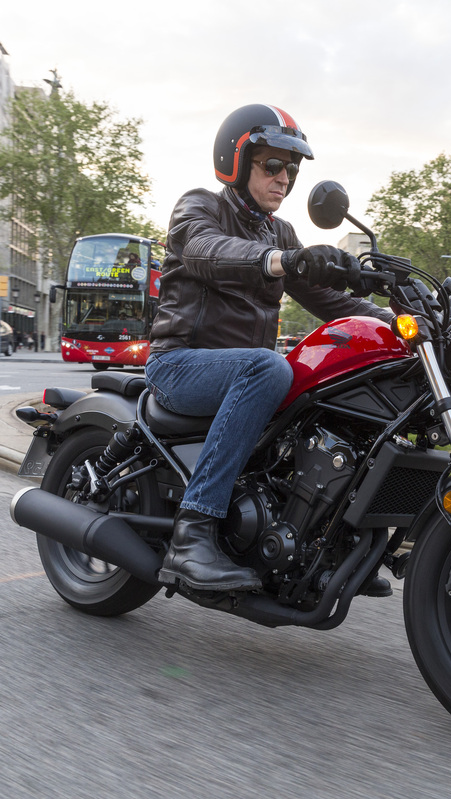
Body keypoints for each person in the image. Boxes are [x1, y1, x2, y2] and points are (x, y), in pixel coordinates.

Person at [145, 104, 392, 595]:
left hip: (244, 375)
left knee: (343, 381)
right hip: (178, 365)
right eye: (273, 165)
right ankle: (192, 536)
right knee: (271, 367)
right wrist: (284, 260)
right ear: (236, 162)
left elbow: (332, 302)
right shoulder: (198, 208)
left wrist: (398, 319)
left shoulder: (279, 231)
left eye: (292, 170)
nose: (284, 178)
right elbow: (209, 251)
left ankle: (335, 541)